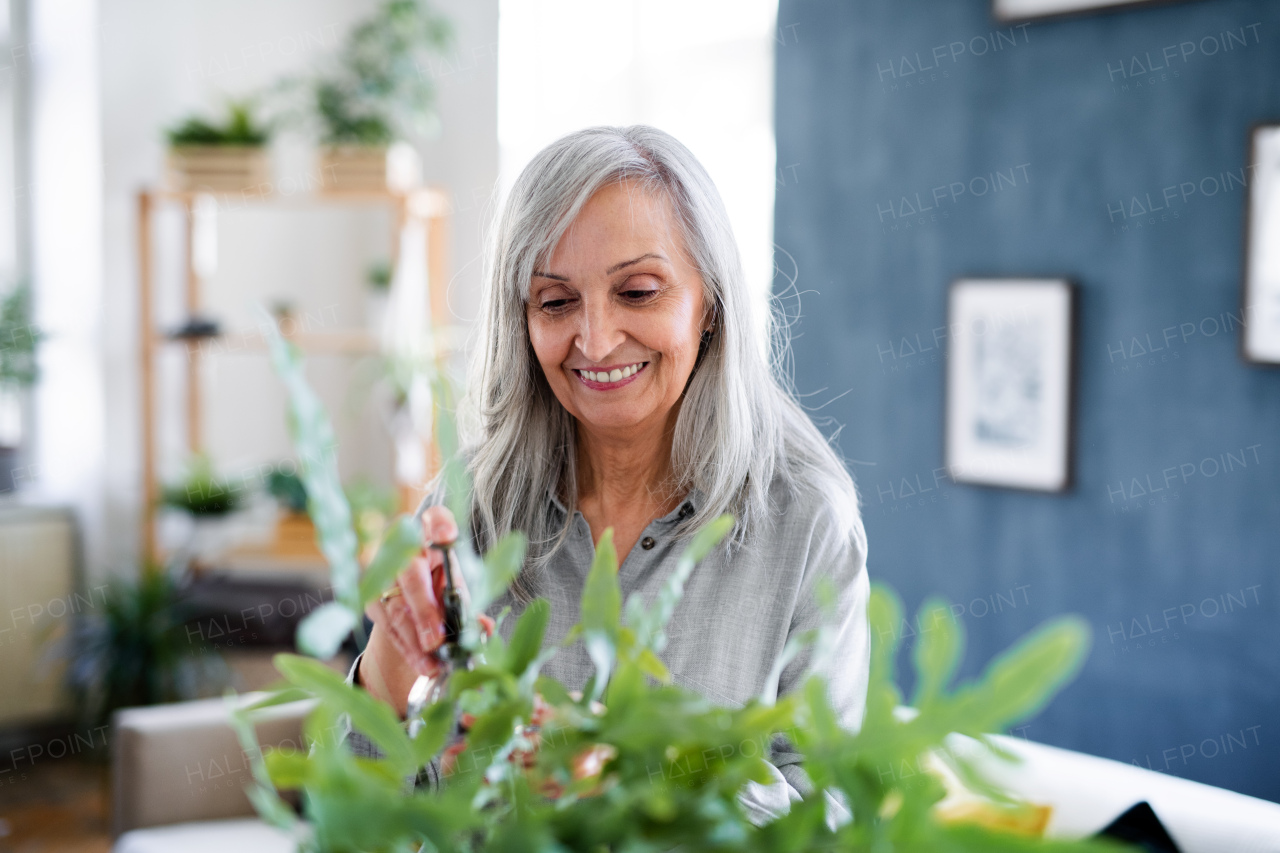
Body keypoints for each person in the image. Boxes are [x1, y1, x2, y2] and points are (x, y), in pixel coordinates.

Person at [345, 125, 869, 823]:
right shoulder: (471, 504)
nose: (595, 340)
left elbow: (830, 811)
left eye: (639, 291)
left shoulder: (806, 521)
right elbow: (361, 817)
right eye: (556, 302)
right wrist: (391, 665)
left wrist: (642, 774)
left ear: (708, 303)